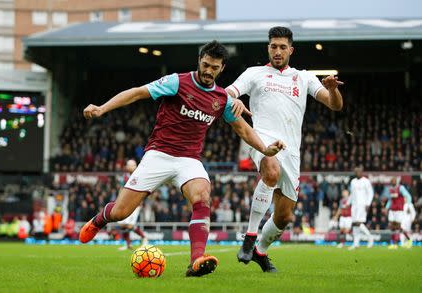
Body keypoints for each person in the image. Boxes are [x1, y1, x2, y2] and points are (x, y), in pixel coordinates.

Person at [79, 40, 285, 277]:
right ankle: (97, 220)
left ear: (222, 68)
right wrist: (102, 108)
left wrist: (265, 149)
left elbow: (243, 129)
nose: (208, 71)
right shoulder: (177, 82)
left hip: (188, 160)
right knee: (120, 213)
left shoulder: (222, 98)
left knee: (203, 195)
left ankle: (197, 260)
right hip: (159, 155)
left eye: (214, 67)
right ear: (199, 61)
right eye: (205, 64)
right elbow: (137, 93)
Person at [225, 26, 343, 272]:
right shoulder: (254, 73)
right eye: (273, 46)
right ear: (268, 48)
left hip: (292, 151)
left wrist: (332, 88)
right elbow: (228, 93)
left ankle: (260, 251)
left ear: (291, 49)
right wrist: (233, 98)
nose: (277, 51)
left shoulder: (304, 77)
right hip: (262, 140)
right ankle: (249, 237)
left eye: (282, 47)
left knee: (284, 217)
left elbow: (335, 105)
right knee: (270, 170)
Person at [117, 159, 148, 250]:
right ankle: (128, 244)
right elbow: (121, 189)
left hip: (135, 204)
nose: (131, 167)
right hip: (125, 203)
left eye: (133, 165)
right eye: (130, 165)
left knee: (129, 225)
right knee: (122, 224)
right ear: (127, 167)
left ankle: (144, 238)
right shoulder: (124, 177)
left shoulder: (139, 176)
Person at [348, 166, 374, 250]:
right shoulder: (353, 182)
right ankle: (356, 243)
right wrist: (348, 203)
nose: (357, 173)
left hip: (362, 205)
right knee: (355, 224)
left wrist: (368, 204)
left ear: (361, 172)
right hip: (354, 205)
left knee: (359, 223)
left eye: (358, 171)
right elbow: (352, 194)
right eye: (355, 172)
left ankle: (370, 238)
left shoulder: (366, 181)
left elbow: (370, 193)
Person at [384, 177, 412, 249]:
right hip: (392, 210)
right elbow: (390, 200)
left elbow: (408, 196)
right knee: (392, 226)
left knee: (398, 227)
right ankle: (393, 243)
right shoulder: (390, 189)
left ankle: (408, 240)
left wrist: (408, 205)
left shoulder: (400, 188)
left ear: (396, 181)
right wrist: (386, 208)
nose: (393, 182)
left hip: (399, 210)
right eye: (392, 181)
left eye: (394, 181)